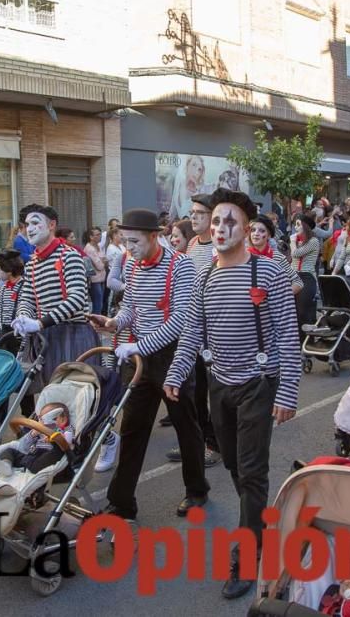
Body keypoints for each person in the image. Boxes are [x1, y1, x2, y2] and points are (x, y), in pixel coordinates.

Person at [164, 188, 302, 599]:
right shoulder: (203, 273)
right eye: (216, 220)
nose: (221, 228)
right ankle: (258, 517)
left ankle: (248, 556)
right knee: (234, 467)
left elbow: (287, 336)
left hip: (260, 384)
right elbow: (192, 330)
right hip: (219, 382)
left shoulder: (270, 273)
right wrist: (176, 371)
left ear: (246, 229)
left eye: (231, 222)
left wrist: (288, 392)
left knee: (252, 470)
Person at [87, 208, 210, 522]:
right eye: (126, 241)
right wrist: (114, 322)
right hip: (140, 358)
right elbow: (130, 307)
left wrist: (137, 345)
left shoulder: (180, 265)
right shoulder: (133, 264)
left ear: (155, 236)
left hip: (174, 356)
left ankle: (197, 489)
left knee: (186, 425)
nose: (130, 247)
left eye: (136, 241)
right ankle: (121, 501)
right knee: (132, 429)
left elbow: (181, 320)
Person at [11, 205, 100, 384]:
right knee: (51, 393)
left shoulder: (69, 255)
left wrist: (39, 323)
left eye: (35, 223)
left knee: (75, 393)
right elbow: (27, 297)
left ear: (51, 225)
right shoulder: (32, 263)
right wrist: (22, 317)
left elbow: (76, 298)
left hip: (74, 334)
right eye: (27, 224)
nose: (29, 228)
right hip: (48, 335)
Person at [169, 193, 221, 466]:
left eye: (200, 213)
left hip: (217, 333)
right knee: (195, 392)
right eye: (192, 212)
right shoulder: (190, 244)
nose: (194, 217)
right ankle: (198, 441)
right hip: (193, 330)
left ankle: (215, 444)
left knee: (217, 394)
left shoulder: (220, 246)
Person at [0, 402, 74, 473]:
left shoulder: (66, 429)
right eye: (40, 419)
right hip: (32, 454)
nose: (43, 422)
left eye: (49, 419)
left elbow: (70, 441)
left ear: (63, 420)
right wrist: (33, 434)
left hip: (47, 454)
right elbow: (23, 446)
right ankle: (6, 465)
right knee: (9, 451)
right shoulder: (38, 431)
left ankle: (26, 468)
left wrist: (59, 438)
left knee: (55, 452)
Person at [0, 248, 25, 351]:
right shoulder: (3, 289)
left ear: (9, 270)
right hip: (4, 336)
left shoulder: (24, 287)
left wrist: (24, 346)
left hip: (19, 337)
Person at [291, 215, 321, 328]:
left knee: (304, 311)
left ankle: (308, 340)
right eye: (295, 224)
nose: (295, 227)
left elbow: (295, 254)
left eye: (298, 224)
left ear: (305, 226)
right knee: (295, 311)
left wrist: (292, 242)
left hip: (307, 277)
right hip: (294, 276)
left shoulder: (313, 241)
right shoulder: (297, 242)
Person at [83, 226, 108, 316]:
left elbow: (105, 260)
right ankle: (94, 325)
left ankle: (97, 324)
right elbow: (100, 266)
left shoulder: (98, 246)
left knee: (100, 303)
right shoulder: (89, 248)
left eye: (100, 234)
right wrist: (103, 262)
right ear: (91, 237)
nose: (100, 236)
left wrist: (103, 261)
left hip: (101, 278)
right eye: (97, 235)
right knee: (97, 304)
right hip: (94, 280)